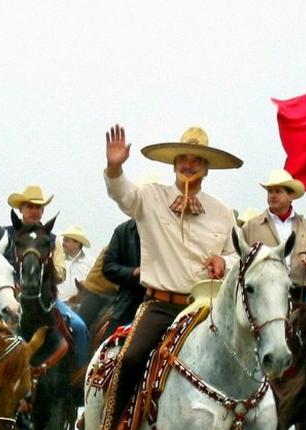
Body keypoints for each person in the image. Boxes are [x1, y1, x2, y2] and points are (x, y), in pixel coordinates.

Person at [101, 124, 241, 429]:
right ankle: (112, 425)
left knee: (246, 361)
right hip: (162, 307)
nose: (188, 164)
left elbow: (236, 255)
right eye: (183, 158)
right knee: (131, 358)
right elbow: (122, 193)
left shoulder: (223, 212)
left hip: (209, 311)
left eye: (197, 160)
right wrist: (114, 167)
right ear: (174, 163)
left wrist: (223, 261)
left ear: (206, 169)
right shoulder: (150, 197)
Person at [4, 184, 89, 368]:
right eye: (30, 206)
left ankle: (80, 380)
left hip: (45, 300)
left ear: (43, 211)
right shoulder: (6, 235)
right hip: (10, 298)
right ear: (21, 209)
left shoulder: (53, 240)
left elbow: (60, 274)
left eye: (38, 207)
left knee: (80, 328)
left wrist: (46, 267)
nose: (34, 211)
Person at [242, 169, 306, 303]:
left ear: (291, 196)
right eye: (270, 191)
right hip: (264, 297)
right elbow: (239, 263)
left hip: (304, 295)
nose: (272, 195)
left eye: (278, 191)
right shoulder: (250, 228)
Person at [101, 218, 144, 337]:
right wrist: (133, 272)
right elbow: (108, 267)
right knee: (107, 347)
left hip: (161, 302)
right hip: (128, 301)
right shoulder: (122, 231)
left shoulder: (168, 230)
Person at [57, 225, 95, 304]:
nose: (63, 243)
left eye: (66, 241)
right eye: (64, 240)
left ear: (77, 244)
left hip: (80, 308)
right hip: (58, 307)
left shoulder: (91, 263)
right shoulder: (58, 260)